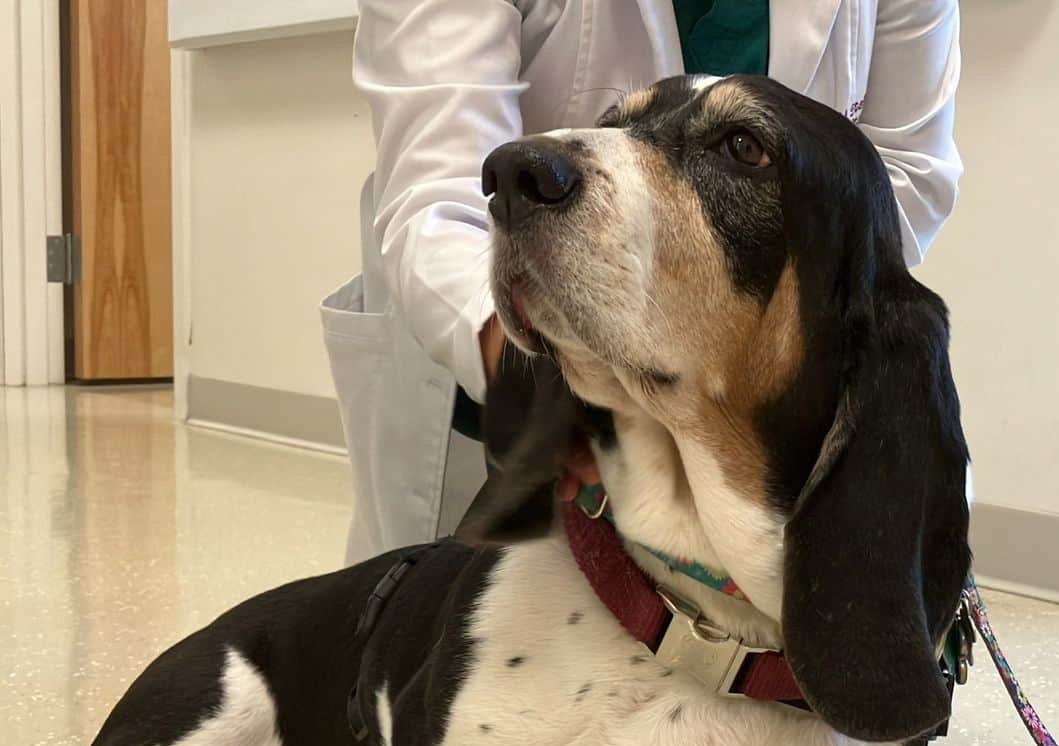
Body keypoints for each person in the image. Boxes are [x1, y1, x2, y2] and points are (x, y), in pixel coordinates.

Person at [322, 0, 962, 564]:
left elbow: (904, 173)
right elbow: (448, 195)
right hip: (511, 362)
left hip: (759, 440)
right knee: (425, 645)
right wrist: (551, 379)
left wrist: (767, 353)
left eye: (742, 147)